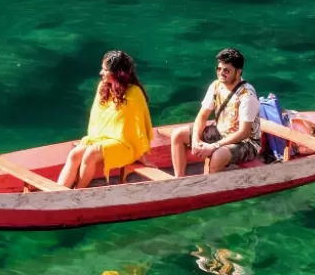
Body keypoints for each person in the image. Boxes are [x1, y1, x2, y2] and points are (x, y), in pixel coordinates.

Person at [57, 50, 152, 189]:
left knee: (91, 153)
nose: (101, 73)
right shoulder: (103, 87)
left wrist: (142, 155)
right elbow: (97, 118)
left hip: (125, 145)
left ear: (117, 73)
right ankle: (59, 191)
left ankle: (77, 192)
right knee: (74, 154)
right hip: (103, 139)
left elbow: (140, 126)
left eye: (105, 69)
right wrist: (94, 138)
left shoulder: (134, 93)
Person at [169, 47, 262, 177]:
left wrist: (213, 146)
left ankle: (208, 188)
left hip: (246, 143)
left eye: (226, 70)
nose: (221, 73)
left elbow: (244, 132)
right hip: (221, 132)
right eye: (219, 69)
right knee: (178, 134)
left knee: (218, 155)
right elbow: (202, 116)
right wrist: (195, 140)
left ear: (238, 72)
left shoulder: (247, 95)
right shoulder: (216, 86)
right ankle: (178, 180)